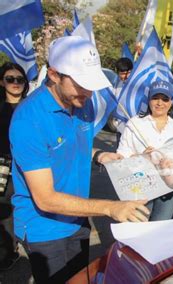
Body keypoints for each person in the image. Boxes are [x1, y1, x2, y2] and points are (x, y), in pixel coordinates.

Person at [8, 36, 150, 283]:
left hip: (77, 218)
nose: (88, 91)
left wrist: (99, 155)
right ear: (53, 75)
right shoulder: (28, 121)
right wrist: (110, 207)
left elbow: (73, 147)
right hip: (45, 228)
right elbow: (46, 199)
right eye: (81, 83)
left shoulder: (83, 103)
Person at [117, 80, 173, 221]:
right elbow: (121, 155)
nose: (160, 103)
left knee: (160, 228)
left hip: (170, 189)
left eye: (165, 99)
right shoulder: (134, 123)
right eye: (155, 98)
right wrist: (141, 157)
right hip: (141, 187)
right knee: (138, 227)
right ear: (149, 100)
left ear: (171, 102)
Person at [0, 62, 29, 271]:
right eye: (10, 79)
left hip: (29, 166)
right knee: (5, 209)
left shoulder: (32, 107)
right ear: (2, 81)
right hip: (3, 166)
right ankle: (8, 251)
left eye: (19, 79)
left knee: (28, 205)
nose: (15, 83)